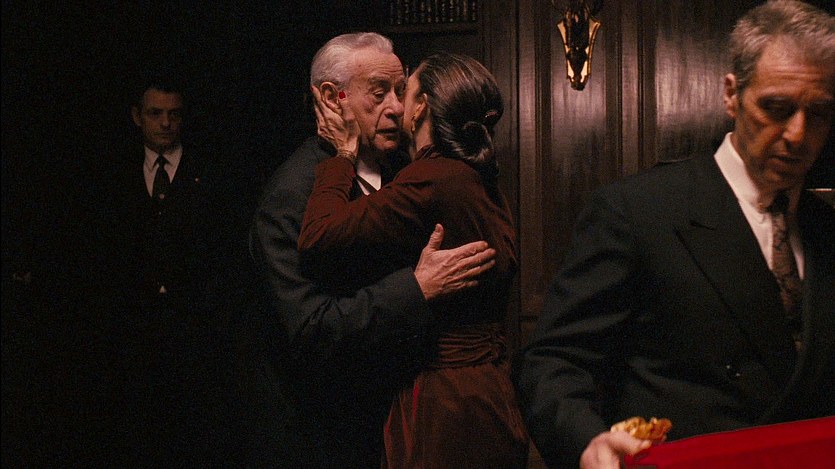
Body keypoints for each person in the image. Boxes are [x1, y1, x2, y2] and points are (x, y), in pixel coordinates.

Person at [512, 1, 835, 468]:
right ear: (731, 94)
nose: (798, 134)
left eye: (819, 113)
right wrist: (586, 440)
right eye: (776, 108)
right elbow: (554, 360)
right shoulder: (637, 211)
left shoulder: (826, 227)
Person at [249, 33, 498, 468]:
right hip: (330, 437)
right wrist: (416, 289)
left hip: (412, 423)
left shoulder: (407, 169)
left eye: (400, 91)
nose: (397, 108)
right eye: (379, 93)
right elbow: (310, 330)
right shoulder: (290, 195)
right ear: (332, 98)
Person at [298, 51, 529, 468]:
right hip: (491, 389)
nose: (395, 105)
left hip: (447, 403)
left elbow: (319, 234)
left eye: (404, 91)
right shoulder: (476, 175)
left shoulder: (432, 177)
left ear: (420, 107)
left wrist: (343, 156)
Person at [95, 72, 237, 466]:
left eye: (174, 114)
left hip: (197, 338)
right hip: (133, 339)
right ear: (137, 116)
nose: (165, 123)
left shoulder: (211, 175)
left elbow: (224, 254)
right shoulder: (115, 176)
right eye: (155, 113)